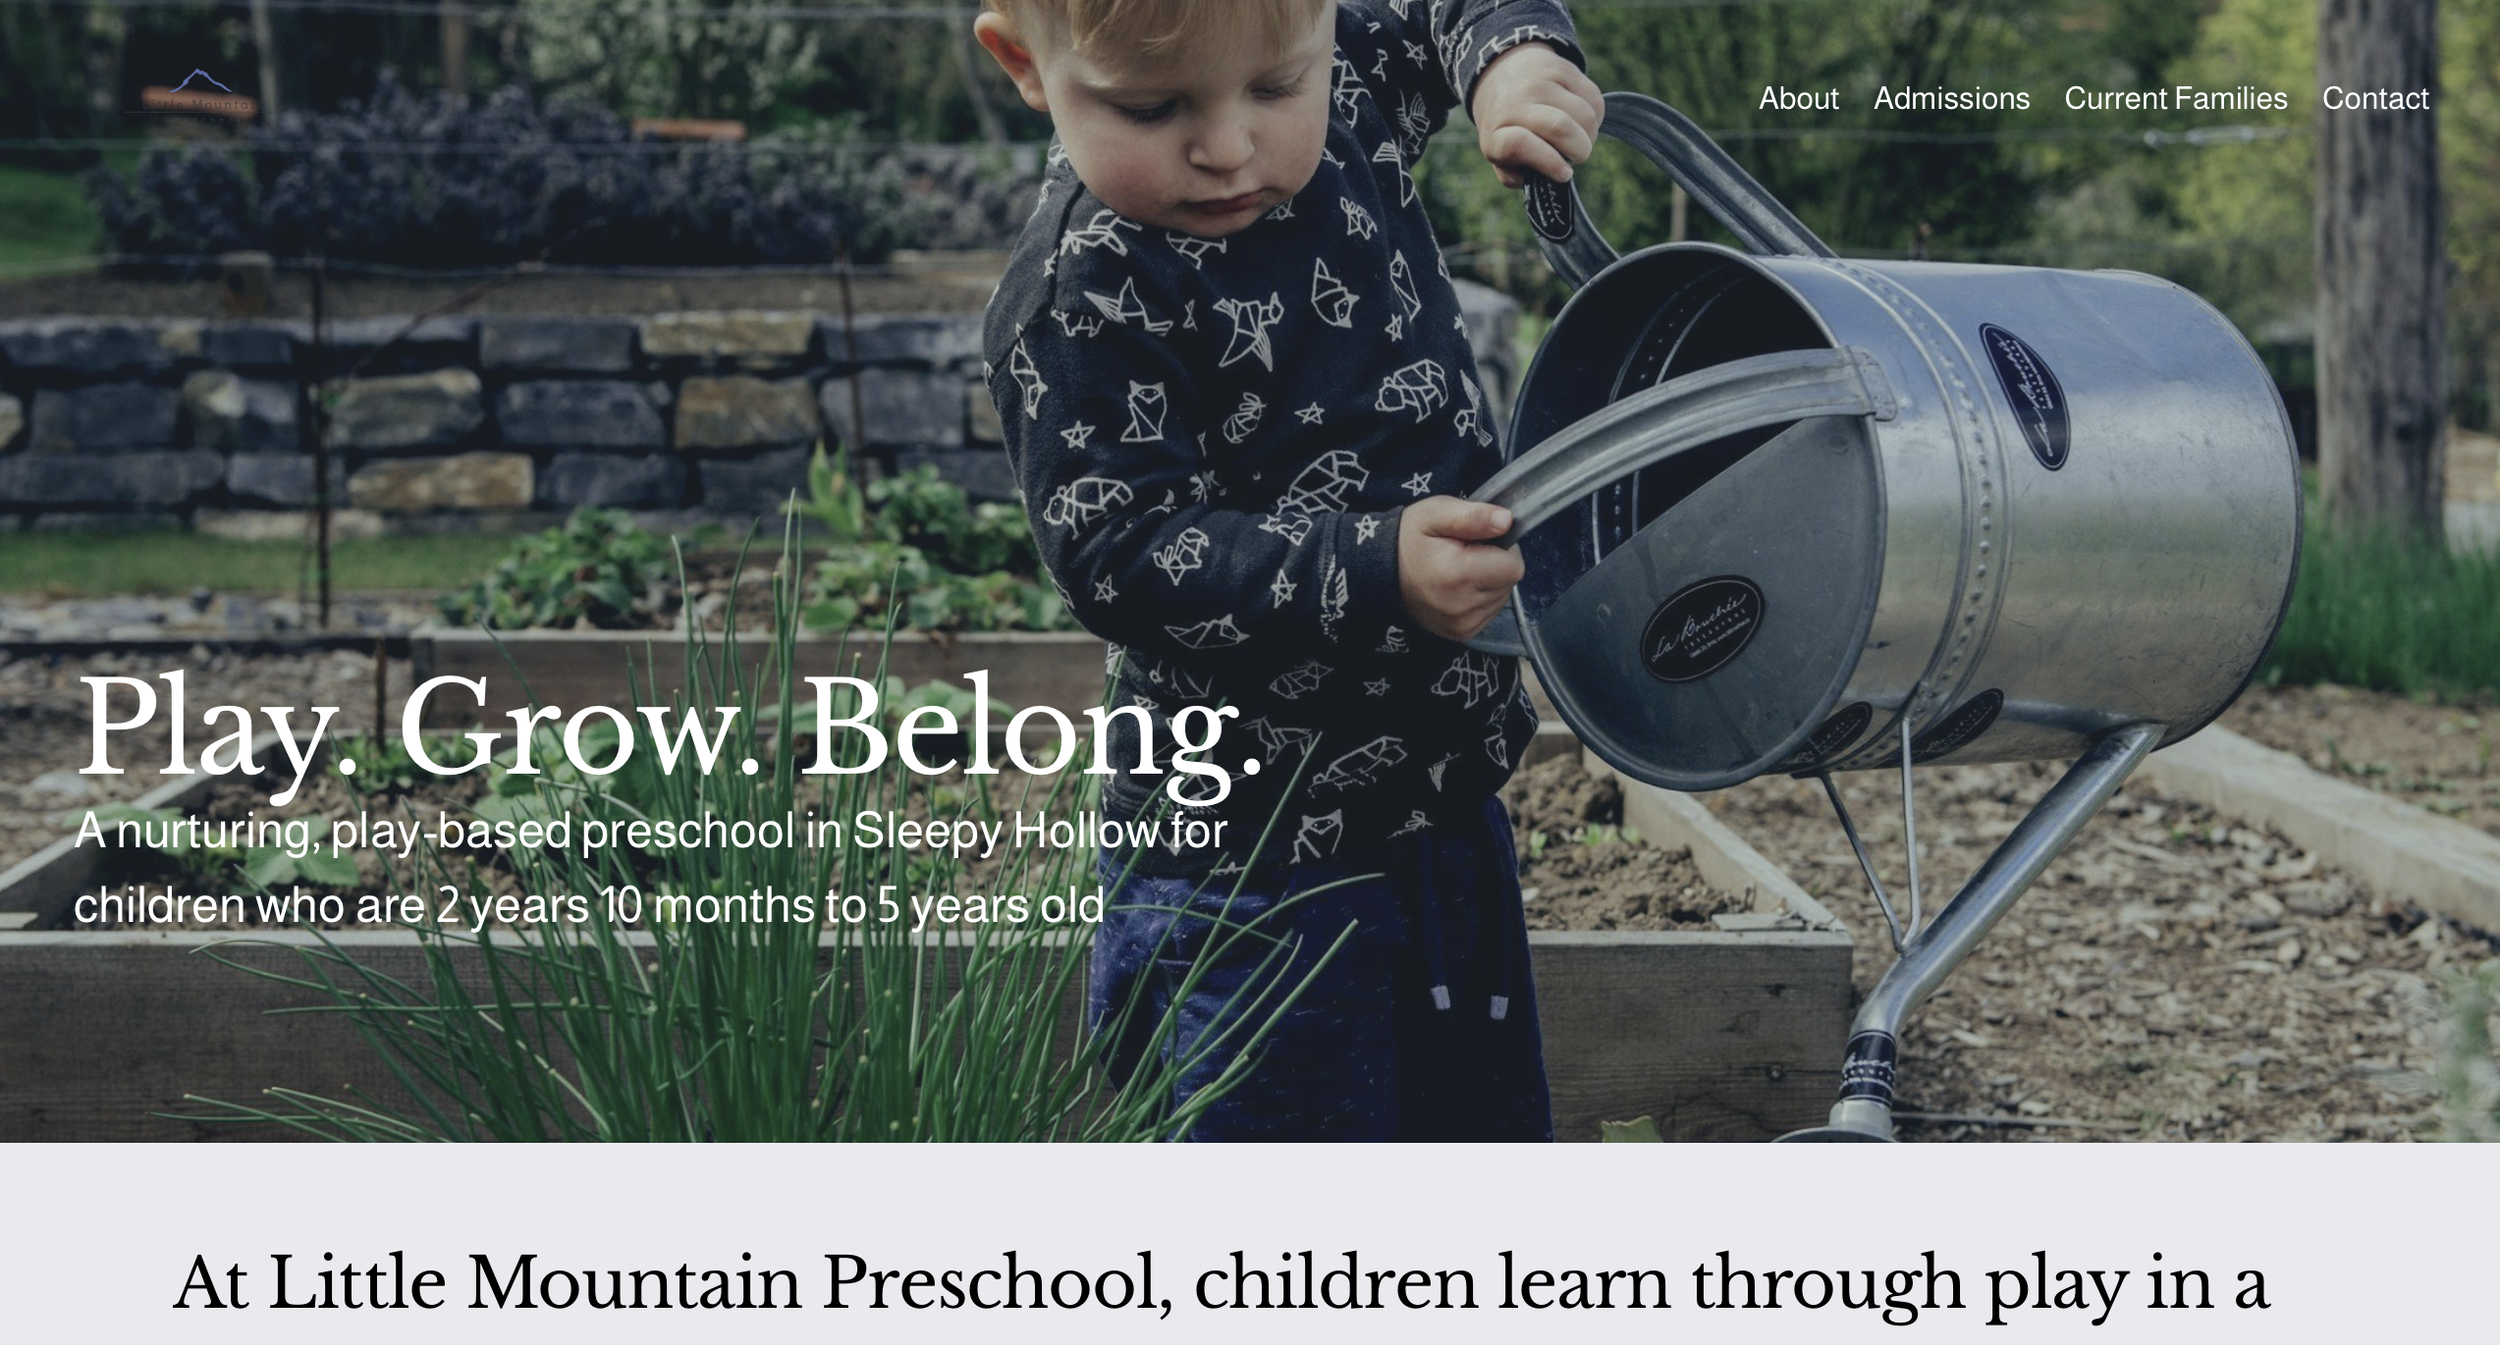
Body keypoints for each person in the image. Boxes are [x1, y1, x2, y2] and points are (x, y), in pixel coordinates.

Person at [974, 0, 1602, 1140]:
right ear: (1027, 63)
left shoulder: (1345, 87)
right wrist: (1372, 569)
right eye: (1152, 107)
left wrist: (1514, 57)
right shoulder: (1087, 288)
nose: (1226, 145)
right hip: (1246, 870)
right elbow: (1120, 551)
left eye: (1275, 87)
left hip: (1443, 805)